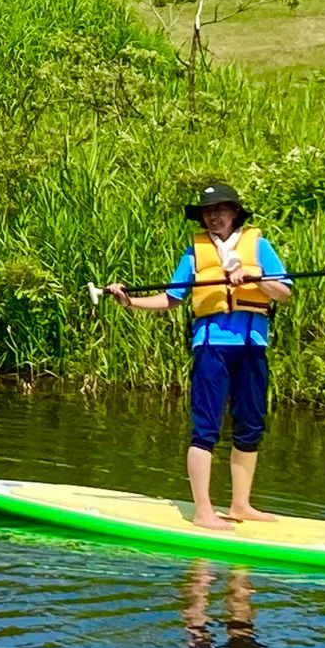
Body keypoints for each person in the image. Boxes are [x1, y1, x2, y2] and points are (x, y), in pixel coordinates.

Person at [104, 184, 293, 531]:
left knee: (250, 425)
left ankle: (240, 505)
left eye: (220, 209)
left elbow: (284, 293)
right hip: (211, 348)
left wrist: (257, 279)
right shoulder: (194, 254)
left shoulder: (260, 247)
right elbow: (171, 299)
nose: (212, 216)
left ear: (234, 213)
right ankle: (203, 510)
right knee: (205, 428)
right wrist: (130, 302)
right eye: (207, 211)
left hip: (252, 346)